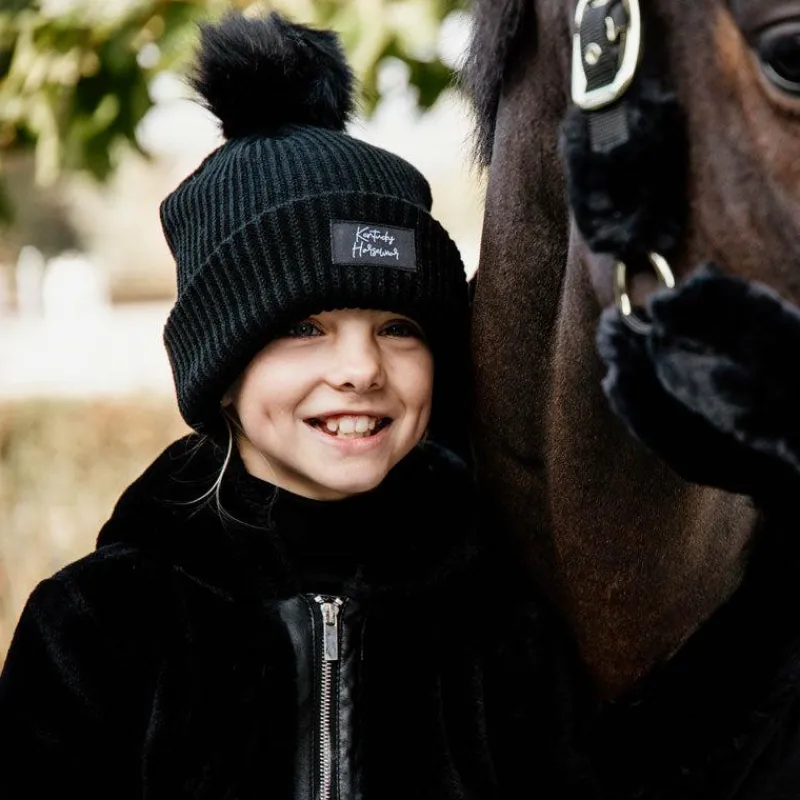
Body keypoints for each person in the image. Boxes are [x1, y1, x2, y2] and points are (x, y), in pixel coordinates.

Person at [0, 11, 500, 799]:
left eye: (399, 327)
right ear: (222, 367)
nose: (361, 368)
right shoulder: (97, 629)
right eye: (304, 327)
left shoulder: (501, 606)